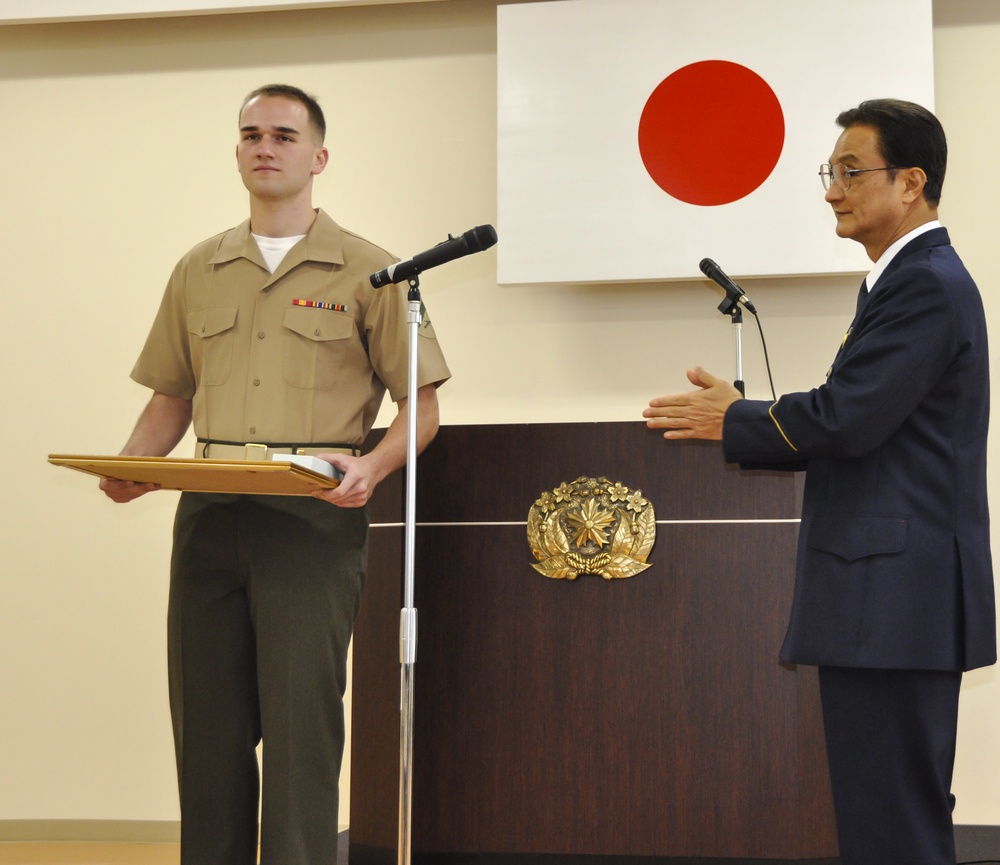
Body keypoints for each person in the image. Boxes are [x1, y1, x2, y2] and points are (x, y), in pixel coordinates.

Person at [100, 84, 451, 865]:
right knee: (208, 727)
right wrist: (132, 466)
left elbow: (420, 407)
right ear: (236, 151)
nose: (267, 146)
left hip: (310, 517)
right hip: (209, 514)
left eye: (285, 136)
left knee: (301, 726)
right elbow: (172, 396)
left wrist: (373, 464)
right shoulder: (199, 268)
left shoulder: (373, 271)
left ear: (318, 157)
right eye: (252, 133)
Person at [643, 99, 995, 865]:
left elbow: (848, 418)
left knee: (893, 817)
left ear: (910, 182)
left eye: (850, 171)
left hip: (894, 597)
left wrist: (735, 419)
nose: (833, 189)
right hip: (889, 596)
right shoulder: (902, 281)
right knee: (885, 810)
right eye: (828, 173)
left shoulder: (927, 283)